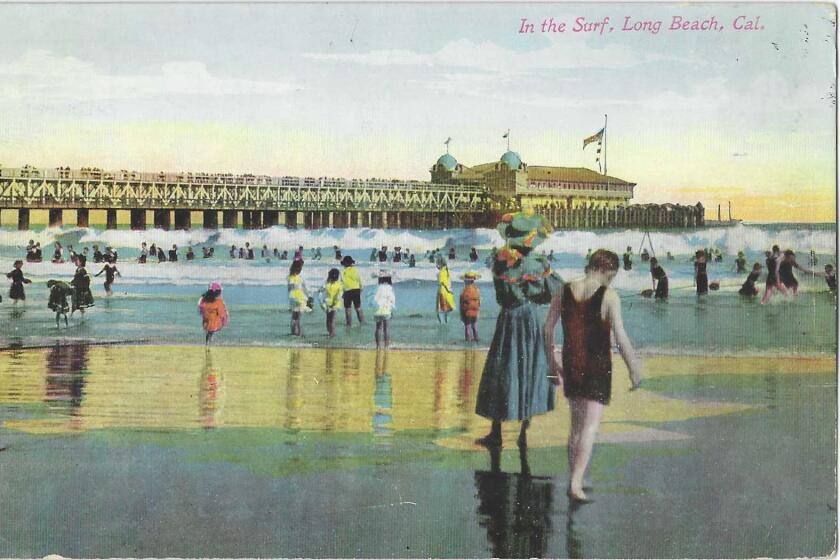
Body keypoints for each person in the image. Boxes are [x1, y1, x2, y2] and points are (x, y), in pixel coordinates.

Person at [543, 249, 642, 503]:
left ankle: (574, 476)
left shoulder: (563, 291)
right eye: (612, 275)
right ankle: (576, 483)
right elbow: (620, 337)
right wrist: (634, 368)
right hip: (597, 366)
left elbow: (547, 330)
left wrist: (551, 364)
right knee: (589, 428)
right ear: (606, 270)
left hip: (571, 363)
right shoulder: (609, 296)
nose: (612, 280)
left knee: (575, 427)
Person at [475, 211, 562, 448]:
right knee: (530, 370)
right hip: (528, 318)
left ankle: (496, 433)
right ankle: (523, 432)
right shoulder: (537, 263)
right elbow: (554, 292)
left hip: (508, 320)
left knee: (501, 371)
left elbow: (500, 293)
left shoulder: (499, 261)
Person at [373, 270, 396, 348]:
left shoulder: (378, 288)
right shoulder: (389, 288)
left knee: (378, 328)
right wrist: (391, 309)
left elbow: (375, 299)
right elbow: (392, 300)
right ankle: (386, 345)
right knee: (386, 329)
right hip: (386, 310)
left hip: (378, 311)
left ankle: (378, 346)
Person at [340, 256, 364, 325]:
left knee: (348, 308)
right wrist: (361, 288)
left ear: (344, 263)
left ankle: (349, 324)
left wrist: (343, 292)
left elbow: (342, 282)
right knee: (358, 307)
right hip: (356, 290)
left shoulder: (343, 271)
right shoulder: (356, 270)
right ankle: (362, 322)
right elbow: (359, 279)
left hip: (347, 291)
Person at [288, 259, 309, 336]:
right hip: (300, 298)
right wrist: (309, 296)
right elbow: (305, 288)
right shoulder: (300, 277)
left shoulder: (290, 277)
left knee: (294, 317)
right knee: (300, 318)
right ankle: (300, 333)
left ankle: (293, 333)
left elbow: (289, 288)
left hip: (292, 297)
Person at [459, 271, 481, 342]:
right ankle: (477, 339)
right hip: (475, 310)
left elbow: (461, 302)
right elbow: (479, 301)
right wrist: (478, 311)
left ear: (466, 281)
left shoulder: (464, 291)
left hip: (467, 310)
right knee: (475, 325)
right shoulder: (477, 290)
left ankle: (468, 341)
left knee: (467, 326)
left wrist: (461, 314)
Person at [323, 268, 343, 337]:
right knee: (329, 320)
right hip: (329, 304)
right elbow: (323, 291)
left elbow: (339, 296)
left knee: (331, 320)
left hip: (334, 304)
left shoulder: (338, 285)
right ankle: (331, 332)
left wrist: (334, 305)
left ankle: (332, 333)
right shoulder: (328, 283)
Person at [436, 256, 455, 323]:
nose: (436, 265)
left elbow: (442, 283)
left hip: (442, 291)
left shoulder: (441, 272)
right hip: (449, 292)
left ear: (440, 264)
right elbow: (448, 282)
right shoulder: (447, 271)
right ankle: (446, 324)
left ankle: (442, 326)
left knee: (439, 310)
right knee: (447, 310)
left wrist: (447, 289)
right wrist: (449, 291)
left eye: (437, 263)